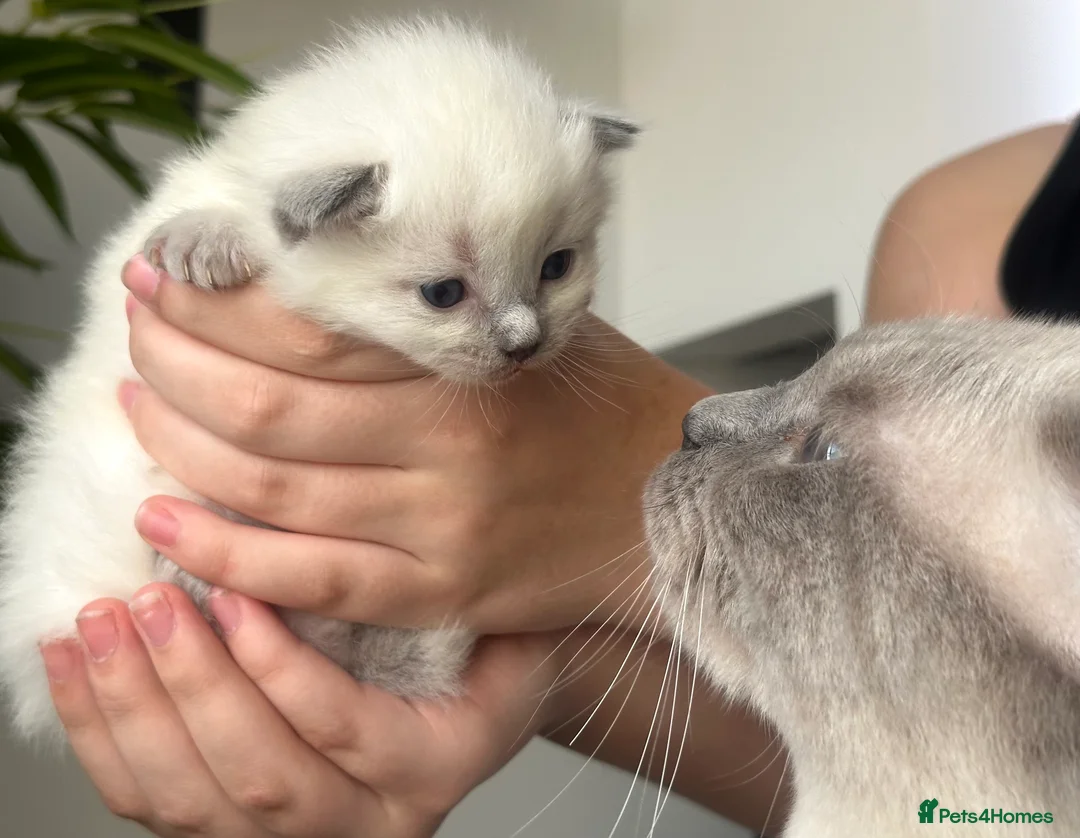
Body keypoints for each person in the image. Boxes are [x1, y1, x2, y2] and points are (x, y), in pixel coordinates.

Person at [42, 115, 1079, 837]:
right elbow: (932, 767)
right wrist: (506, 635)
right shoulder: (965, 216)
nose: (710, 416)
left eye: (825, 446)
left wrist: (635, 453)